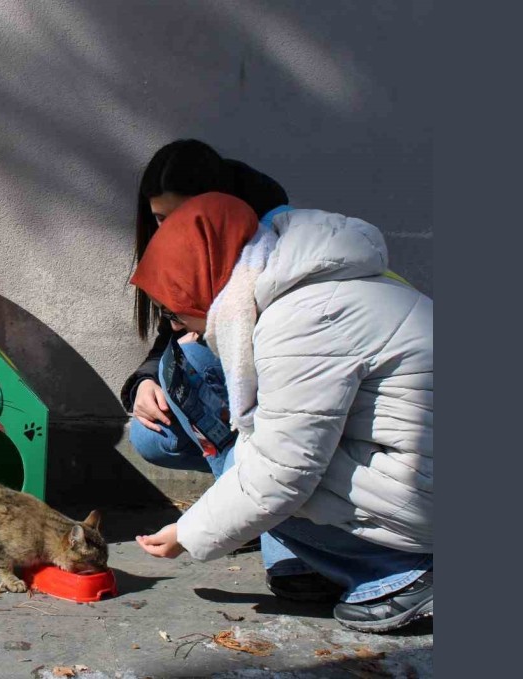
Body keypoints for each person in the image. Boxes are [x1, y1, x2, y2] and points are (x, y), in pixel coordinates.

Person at [130, 192, 433, 633]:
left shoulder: (302, 319)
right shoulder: (301, 283)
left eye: (175, 310)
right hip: (420, 469)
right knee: (194, 375)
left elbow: (282, 474)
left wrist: (189, 533)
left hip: (428, 490)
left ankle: (402, 575)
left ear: (205, 283)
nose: (174, 325)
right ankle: (314, 564)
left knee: (268, 481)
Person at [120, 140, 343, 603]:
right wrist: (144, 379)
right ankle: (243, 513)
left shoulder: (264, 249)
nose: (170, 231)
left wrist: (200, 529)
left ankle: (283, 546)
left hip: (307, 409)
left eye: (181, 218)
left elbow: (279, 444)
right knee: (149, 435)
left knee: (204, 371)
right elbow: (182, 320)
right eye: (160, 220)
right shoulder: (203, 258)